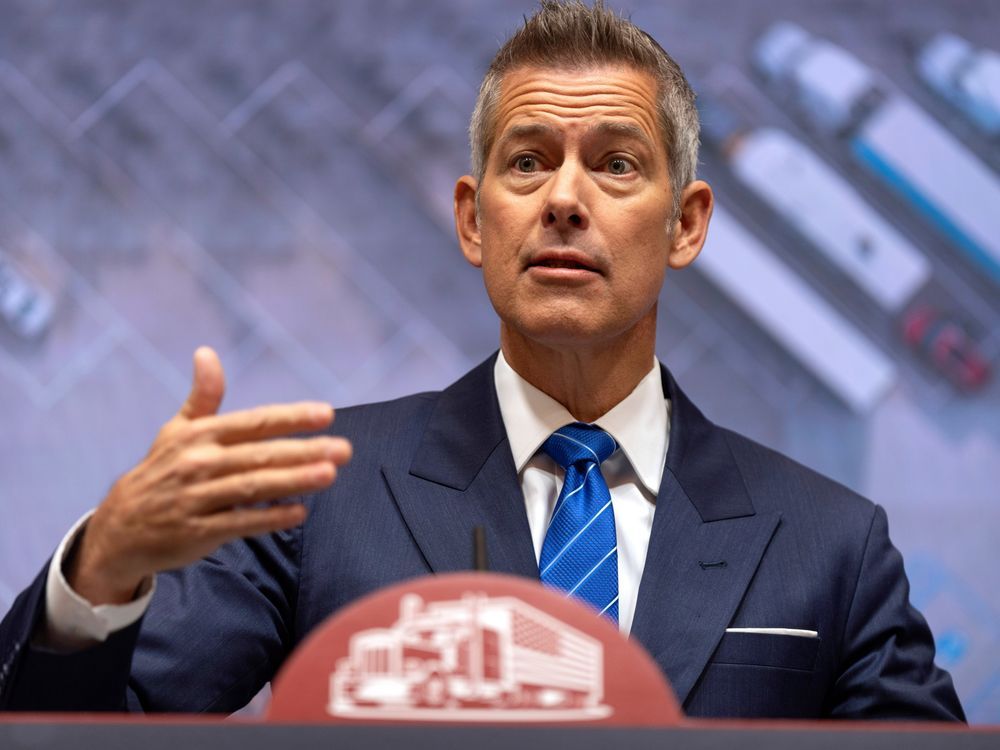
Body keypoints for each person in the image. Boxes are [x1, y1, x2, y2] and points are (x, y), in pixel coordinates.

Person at [0, 1, 964, 719]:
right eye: (528, 161)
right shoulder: (317, 494)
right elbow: (89, 737)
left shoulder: (831, 545)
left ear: (688, 223)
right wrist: (102, 573)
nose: (564, 200)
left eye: (617, 164)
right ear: (472, 218)